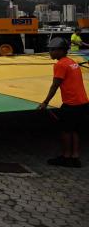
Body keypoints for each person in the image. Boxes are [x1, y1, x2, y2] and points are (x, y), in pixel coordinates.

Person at [38, 38, 88, 168]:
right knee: (75, 130)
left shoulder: (60, 65)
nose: (50, 52)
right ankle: (75, 157)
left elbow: (55, 85)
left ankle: (66, 157)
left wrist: (45, 102)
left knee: (66, 130)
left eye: (52, 50)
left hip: (71, 104)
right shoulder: (72, 62)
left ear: (60, 51)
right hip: (82, 102)